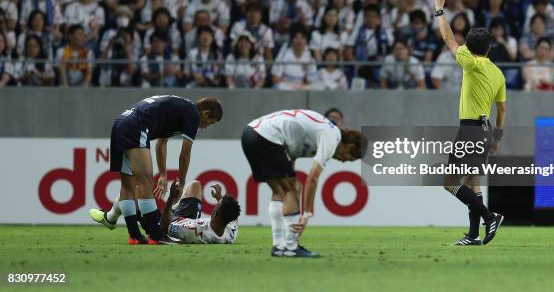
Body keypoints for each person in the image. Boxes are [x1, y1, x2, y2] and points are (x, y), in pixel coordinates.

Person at [91, 95, 223, 245]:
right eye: (209, 123)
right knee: (145, 182)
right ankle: (156, 235)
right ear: (205, 113)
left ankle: (135, 235)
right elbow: (185, 153)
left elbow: (161, 143)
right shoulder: (193, 114)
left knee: (127, 187)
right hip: (136, 126)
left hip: (121, 123)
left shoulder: (181, 110)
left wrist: (163, 175)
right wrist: (182, 182)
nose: (205, 127)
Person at [434, 0, 506, 246]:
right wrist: (497, 138)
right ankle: (473, 235)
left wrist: (440, 10)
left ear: (470, 48)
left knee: (449, 182)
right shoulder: (498, 73)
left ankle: (490, 216)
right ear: (489, 47)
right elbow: (503, 110)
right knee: (473, 181)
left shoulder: (469, 62)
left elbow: (447, 37)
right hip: (486, 131)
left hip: (470, 129)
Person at [241, 109, 364, 257]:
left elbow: (290, 155)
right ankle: (291, 247)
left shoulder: (324, 130)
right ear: (349, 147)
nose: (343, 161)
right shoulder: (333, 137)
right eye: (349, 158)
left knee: (280, 192)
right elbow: (312, 178)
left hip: (250, 134)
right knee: (292, 189)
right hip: (267, 137)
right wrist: (306, 214)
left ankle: (279, 246)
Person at [161, 181, 240, 244]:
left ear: (215, 213)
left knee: (157, 219)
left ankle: (174, 207)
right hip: (193, 221)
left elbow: (164, 226)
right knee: (195, 185)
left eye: (216, 205)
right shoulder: (231, 232)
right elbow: (234, 218)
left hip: (178, 221)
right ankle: (177, 205)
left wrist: (171, 197)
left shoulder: (193, 231)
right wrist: (219, 198)